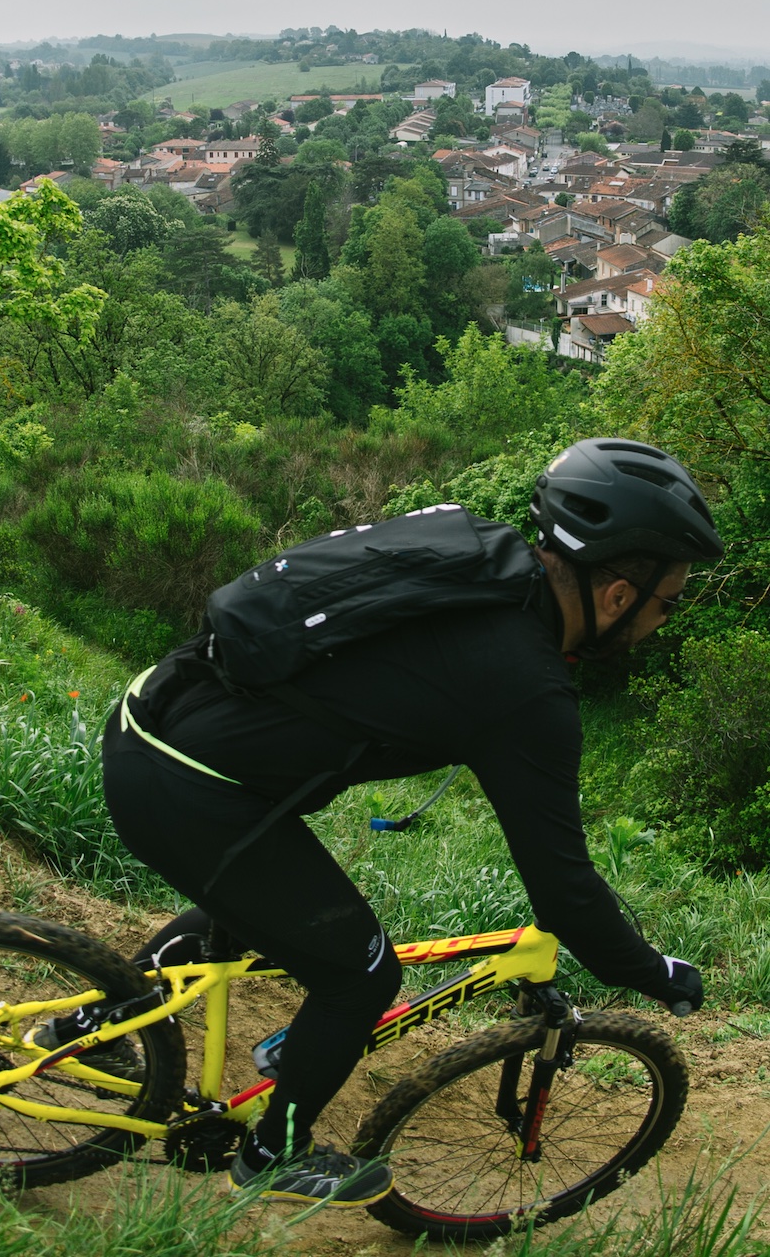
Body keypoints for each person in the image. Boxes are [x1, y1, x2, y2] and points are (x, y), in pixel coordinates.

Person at [100, 438, 724, 1207]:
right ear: (620, 594)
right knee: (362, 974)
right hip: (191, 785)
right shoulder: (525, 691)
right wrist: (656, 972)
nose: (664, 619)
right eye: (670, 601)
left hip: (154, 712)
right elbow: (563, 893)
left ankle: (93, 1023)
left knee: (264, 902)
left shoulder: (474, 553)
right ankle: (274, 1154)